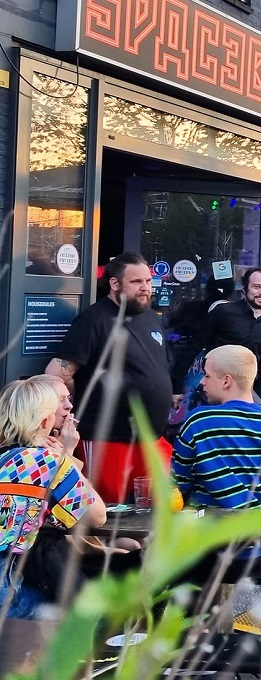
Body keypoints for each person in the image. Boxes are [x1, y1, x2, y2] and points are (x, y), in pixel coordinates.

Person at [46, 251, 174, 504]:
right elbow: (57, 373)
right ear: (114, 283)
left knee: (155, 511)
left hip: (152, 438)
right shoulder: (94, 320)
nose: (145, 288)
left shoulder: (150, 316)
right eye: (136, 282)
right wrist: (72, 407)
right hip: (107, 439)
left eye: (148, 281)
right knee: (107, 511)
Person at [0, 377, 107, 619]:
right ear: (45, 421)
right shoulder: (45, 461)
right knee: (92, 621)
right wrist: (66, 458)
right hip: (7, 594)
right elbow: (97, 516)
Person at [172, 345, 261, 508]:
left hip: (208, 523)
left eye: (207, 375)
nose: (202, 381)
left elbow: (178, 483)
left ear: (226, 381)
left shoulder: (199, 421)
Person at [200, 268, 261, 402]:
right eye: (257, 287)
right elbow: (194, 347)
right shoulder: (223, 312)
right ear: (244, 288)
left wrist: (257, 393)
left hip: (248, 395)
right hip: (215, 391)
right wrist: (177, 387)